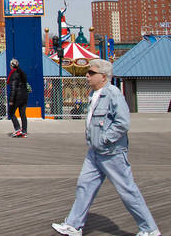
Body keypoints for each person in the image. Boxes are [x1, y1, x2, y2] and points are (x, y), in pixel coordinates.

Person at [52, 59, 160, 236]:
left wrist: (104, 139)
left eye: (91, 73)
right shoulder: (94, 94)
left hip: (112, 152)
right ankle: (74, 225)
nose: (87, 75)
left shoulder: (113, 93)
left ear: (103, 76)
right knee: (84, 186)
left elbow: (123, 123)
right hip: (94, 152)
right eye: (88, 72)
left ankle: (149, 229)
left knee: (127, 190)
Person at [7, 58, 29, 138]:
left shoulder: (14, 74)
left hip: (17, 97)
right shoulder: (22, 73)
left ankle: (17, 129)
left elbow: (13, 88)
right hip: (25, 96)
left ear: (12, 66)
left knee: (11, 112)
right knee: (23, 114)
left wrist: (11, 100)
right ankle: (24, 131)